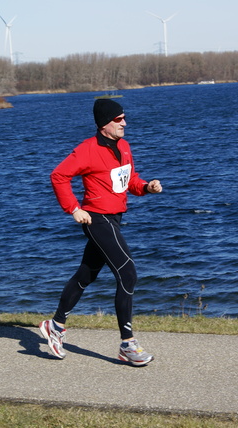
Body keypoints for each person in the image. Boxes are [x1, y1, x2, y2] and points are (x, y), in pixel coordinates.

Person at [39, 98, 162, 366]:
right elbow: (58, 176)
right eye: (119, 120)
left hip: (115, 218)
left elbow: (129, 180)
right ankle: (128, 344)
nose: (124, 124)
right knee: (127, 272)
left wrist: (146, 187)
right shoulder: (87, 150)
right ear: (105, 123)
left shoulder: (124, 146)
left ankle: (55, 326)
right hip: (96, 219)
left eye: (124, 118)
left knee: (86, 274)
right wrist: (73, 209)